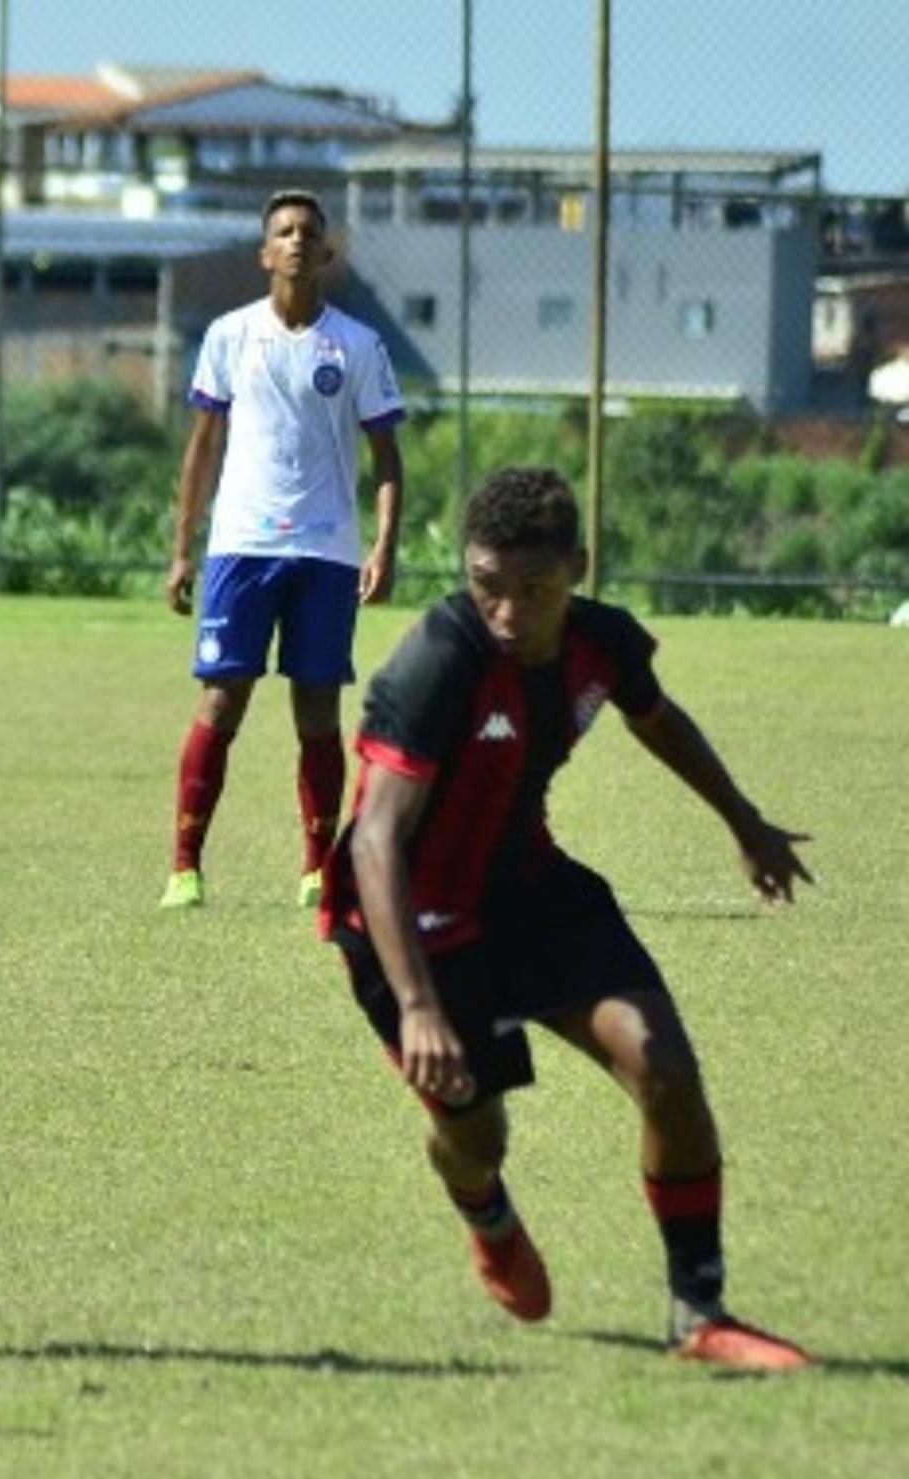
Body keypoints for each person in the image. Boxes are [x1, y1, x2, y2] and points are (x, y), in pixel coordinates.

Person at [320, 466, 812, 1370]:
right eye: (486, 586)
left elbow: (656, 719)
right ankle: (487, 1213)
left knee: (663, 1065)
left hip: (532, 891)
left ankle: (698, 1313)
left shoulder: (603, 645)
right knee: (476, 1136)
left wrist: (743, 821)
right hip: (410, 922)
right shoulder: (439, 661)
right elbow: (375, 841)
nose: (507, 611)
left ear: (578, 570)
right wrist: (419, 1003)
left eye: (533, 590)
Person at [161, 188, 406, 912]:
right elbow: (202, 451)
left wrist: (384, 548)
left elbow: (389, 458)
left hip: (327, 552)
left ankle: (317, 869)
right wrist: (183, 550)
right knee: (221, 699)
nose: (297, 241)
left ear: (326, 253)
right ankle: (184, 867)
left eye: (308, 232)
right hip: (241, 547)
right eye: (284, 232)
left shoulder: (358, 345)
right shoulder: (230, 336)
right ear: (265, 254)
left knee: (317, 710)